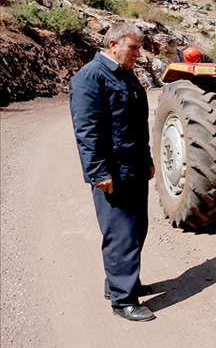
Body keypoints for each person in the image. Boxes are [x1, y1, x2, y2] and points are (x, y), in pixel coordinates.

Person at [69, 21, 156, 321]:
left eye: (139, 49)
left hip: (133, 167)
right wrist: (97, 172)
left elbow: (137, 124)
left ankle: (118, 282)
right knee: (121, 233)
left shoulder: (127, 76)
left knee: (137, 229)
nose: (137, 55)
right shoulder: (91, 77)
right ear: (113, 45)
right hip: (112, 171)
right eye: (133, 48)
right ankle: (123, 300)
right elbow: (87, 130)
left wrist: (146, 158)